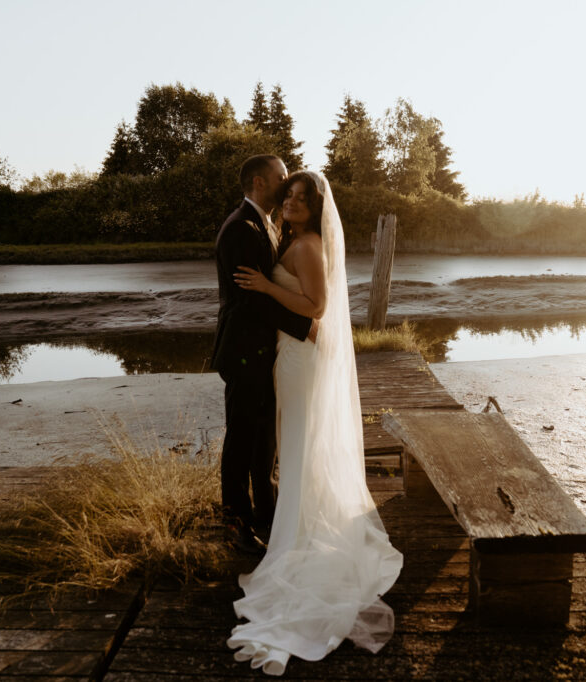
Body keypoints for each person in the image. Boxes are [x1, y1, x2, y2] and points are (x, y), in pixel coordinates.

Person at [227, 171, 403, 675]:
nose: (293, 203)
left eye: (303, 199)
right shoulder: (293, 240)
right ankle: (297, 529)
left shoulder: (306, 247)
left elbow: (318, 307)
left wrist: (262, 285)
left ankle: (300, 542)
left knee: (300, 448)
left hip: (301, 359)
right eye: (290, 197)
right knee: (297, 447)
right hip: (291, 357)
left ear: (315, 207)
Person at [211, 154, 317, 555]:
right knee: (241, 440)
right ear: (259, 182)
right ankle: (235, 525)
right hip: (243, 352)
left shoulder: (265, 224)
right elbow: (249, 300)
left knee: (263, 441)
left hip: (262, 351)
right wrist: (306, 328)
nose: (285, 184)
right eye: (281, 178)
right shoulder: (241, 229)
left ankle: (267, 514)